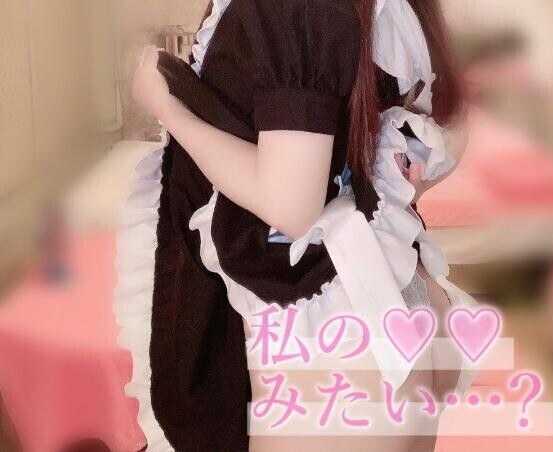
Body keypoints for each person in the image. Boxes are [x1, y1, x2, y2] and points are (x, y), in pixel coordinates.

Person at [116, 0, 474, 450]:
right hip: (391, 296)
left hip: (327, 340)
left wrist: (166, 105)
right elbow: (449, 129)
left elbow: (289, 206)